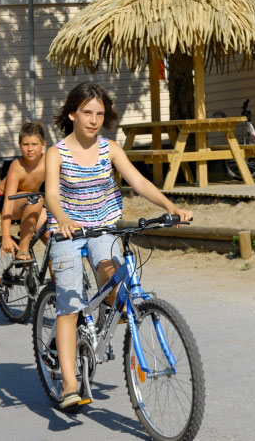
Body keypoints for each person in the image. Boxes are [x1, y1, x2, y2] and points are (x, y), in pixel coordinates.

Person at [44, 82, 193, 410]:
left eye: (99, 114)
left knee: (112, 274)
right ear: (72, 114)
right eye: (86, 112)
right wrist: (63, 219)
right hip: (68, 232)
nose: (93, 120)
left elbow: (139, 182)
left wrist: (170, 207)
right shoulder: (56, 152)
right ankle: (70, 382)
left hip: (102, 229)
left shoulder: (110, 149)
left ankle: (112, 318)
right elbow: (51, 195)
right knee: (69, 307)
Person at [0, 121, 48, 260]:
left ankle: (56, 281)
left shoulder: (48, 161)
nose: (30, 149)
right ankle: (23, 249)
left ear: (43, 145)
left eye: (34, 144)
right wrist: (6, 236)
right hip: (7, 200)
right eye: (26, 144)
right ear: (20, 145)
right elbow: (7, 204)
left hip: (33, 200)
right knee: (35, 198)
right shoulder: (17, 167)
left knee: (53, 241)